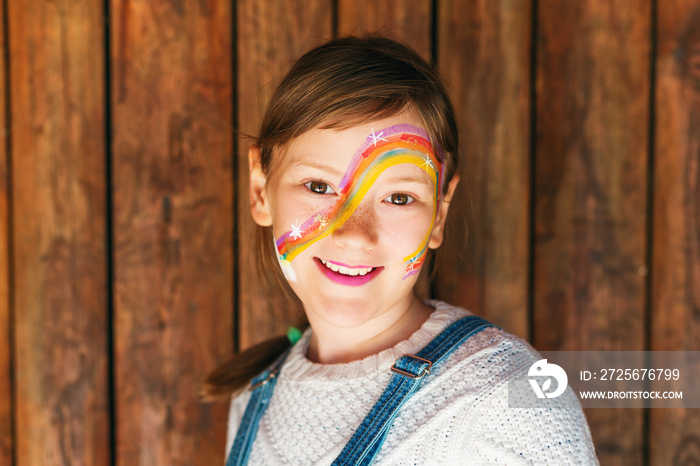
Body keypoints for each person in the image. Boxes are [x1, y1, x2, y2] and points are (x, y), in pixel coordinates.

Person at [204, 35, 599, 465]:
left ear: (439, 214)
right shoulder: (253, 398)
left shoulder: (507, 397)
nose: (354, 233)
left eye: (398, 197)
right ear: (260, 190)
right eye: (319, 187)